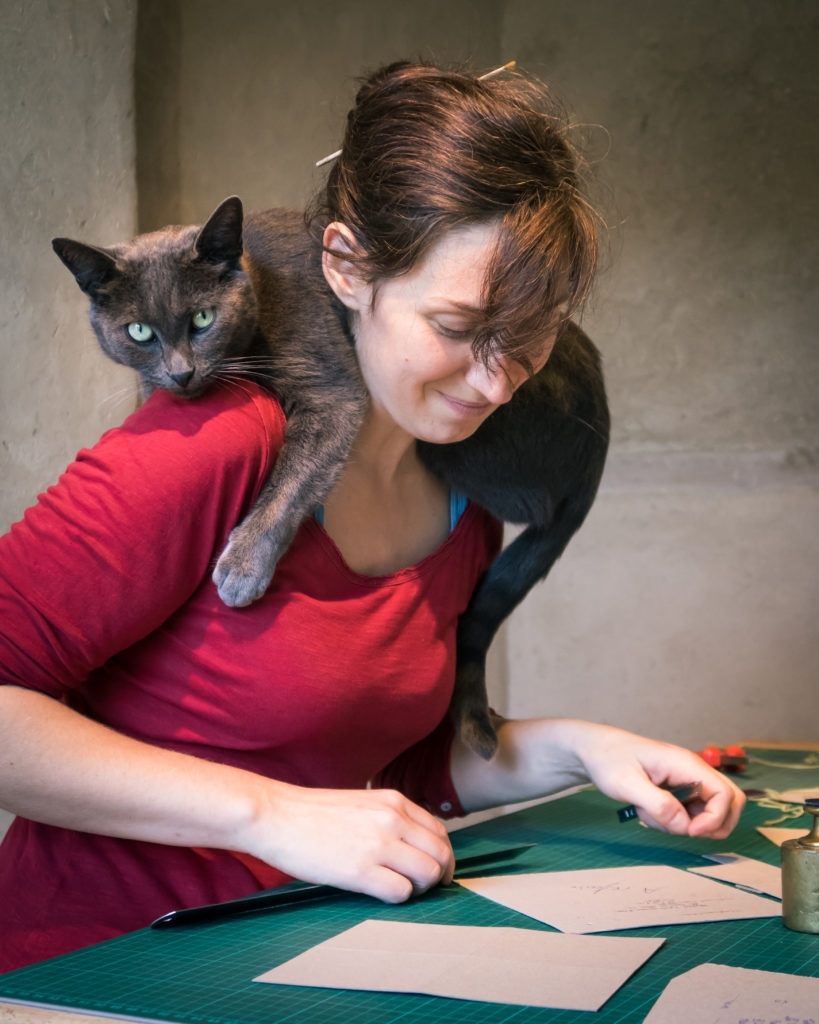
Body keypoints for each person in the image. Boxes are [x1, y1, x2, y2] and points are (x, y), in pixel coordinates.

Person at [0, 61, 744, 972]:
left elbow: (395, 775)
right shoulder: (214, 447)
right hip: (94, 971)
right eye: (458, 325)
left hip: (308, 964)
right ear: (349, 267)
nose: (498, 378)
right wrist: (266, 814)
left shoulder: (464, 502)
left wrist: (580, 749)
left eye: (530, 333)